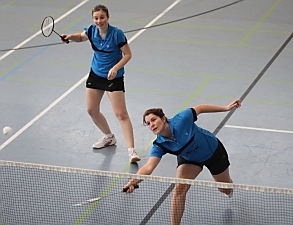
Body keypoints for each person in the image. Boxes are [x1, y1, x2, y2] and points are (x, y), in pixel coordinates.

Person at [124, 99, 241, 225]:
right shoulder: (159, 145)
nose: (151, 124)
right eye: (148, 123)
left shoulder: (182, 119)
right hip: (190, 159)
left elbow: (200, 108)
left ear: (163, 119)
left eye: (153, 120)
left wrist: (226, 108)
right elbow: (148, 167)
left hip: (213, 153)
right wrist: (133, 181)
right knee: (179, 189)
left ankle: (228, 186)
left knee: (225, 189)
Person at [61, 4, 140, 163]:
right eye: (96, 18)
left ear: (108, 17)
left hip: (113, 76)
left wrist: (116, 68)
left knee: (121, 114)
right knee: (91, 110)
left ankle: (132, 151)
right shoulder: (91, 30)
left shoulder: (117, 34)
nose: (99, 21)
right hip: (96, 74)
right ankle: (109, 137)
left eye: (102, 17)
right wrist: (70, 36)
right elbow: (82, 37)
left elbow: (128, 54)